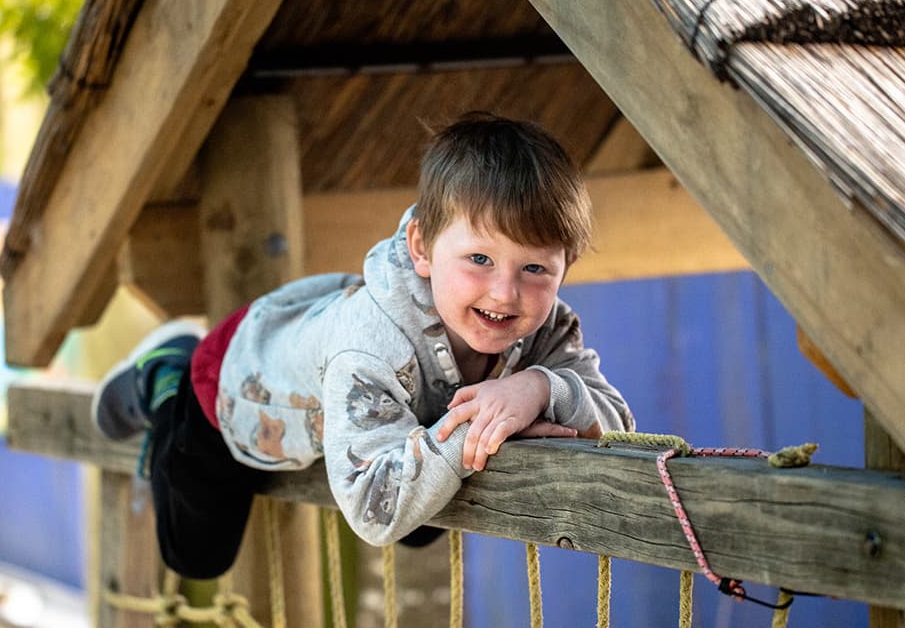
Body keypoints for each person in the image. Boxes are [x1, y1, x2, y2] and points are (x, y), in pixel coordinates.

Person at [93, 112, 635, 580]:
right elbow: (373, 513)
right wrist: (480, 424)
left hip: (346, 383)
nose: (505, 293)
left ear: (566, 268)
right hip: (239, 388)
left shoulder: (547, 326)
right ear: (421, 247)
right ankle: (163, 376)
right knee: (196, 555)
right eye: (479, 259)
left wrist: (538, 387)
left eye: (536, 268)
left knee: (426, 523)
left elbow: (619, 426)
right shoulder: (370, 346)